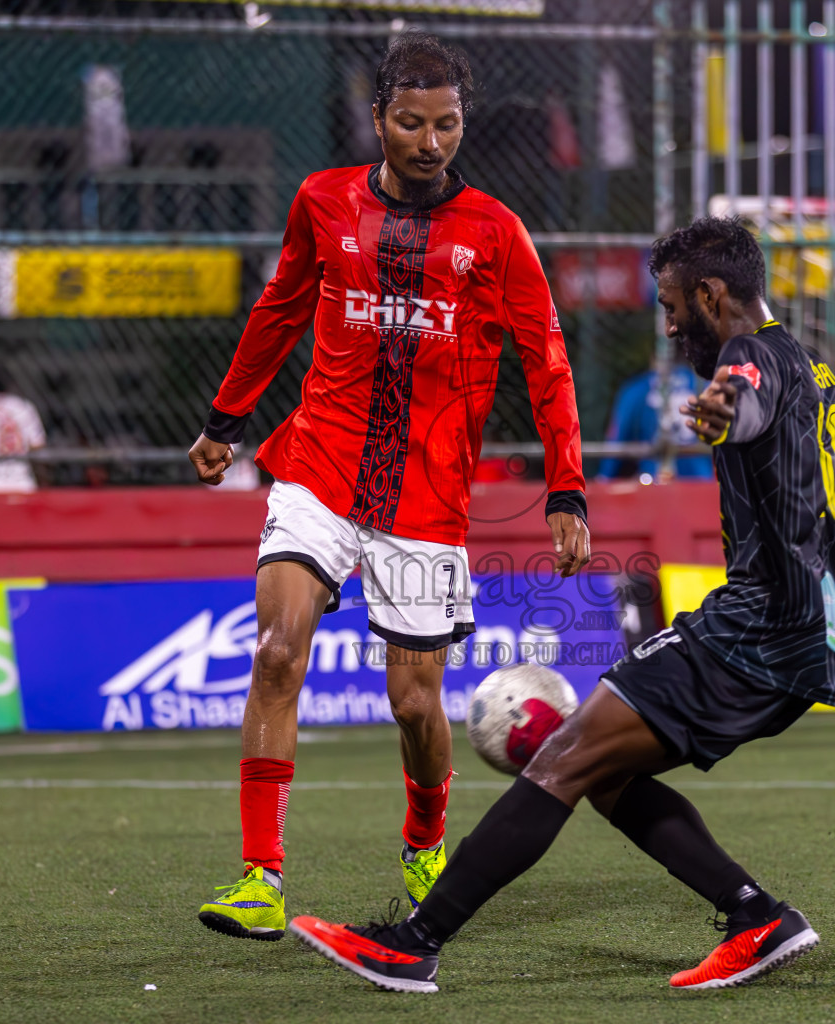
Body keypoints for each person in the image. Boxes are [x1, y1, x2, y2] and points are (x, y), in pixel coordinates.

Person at [286, 216, 835, 993]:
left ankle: (414, 942)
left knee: (561, 757)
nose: (671, 322)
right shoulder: (822, 378)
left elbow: (740, 395)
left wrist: (722, 409)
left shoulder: (747, 360)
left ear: (712, 295)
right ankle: (755, 917)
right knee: (602, 772)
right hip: (818, 647)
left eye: (674, 304)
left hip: (753, 631)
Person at [186, 33, 591, 943]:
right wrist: (225, 419)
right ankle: (260, 877)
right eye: (411, 122)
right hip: (318, 468)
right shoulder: (323, 202)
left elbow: (547, 358)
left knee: (414, 703)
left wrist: (567, 488)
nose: (430, 141)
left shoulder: (495, 232)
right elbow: (281, 308)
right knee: (278, 651)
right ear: (377, 120)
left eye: (447, 123)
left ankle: (423, 845)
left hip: (425, 499)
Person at [595, 358, 712, 481]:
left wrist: (604, 477)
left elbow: (615, 444)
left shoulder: (637, 388)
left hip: (654, 482)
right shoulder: (705, 387)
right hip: (702, 483)